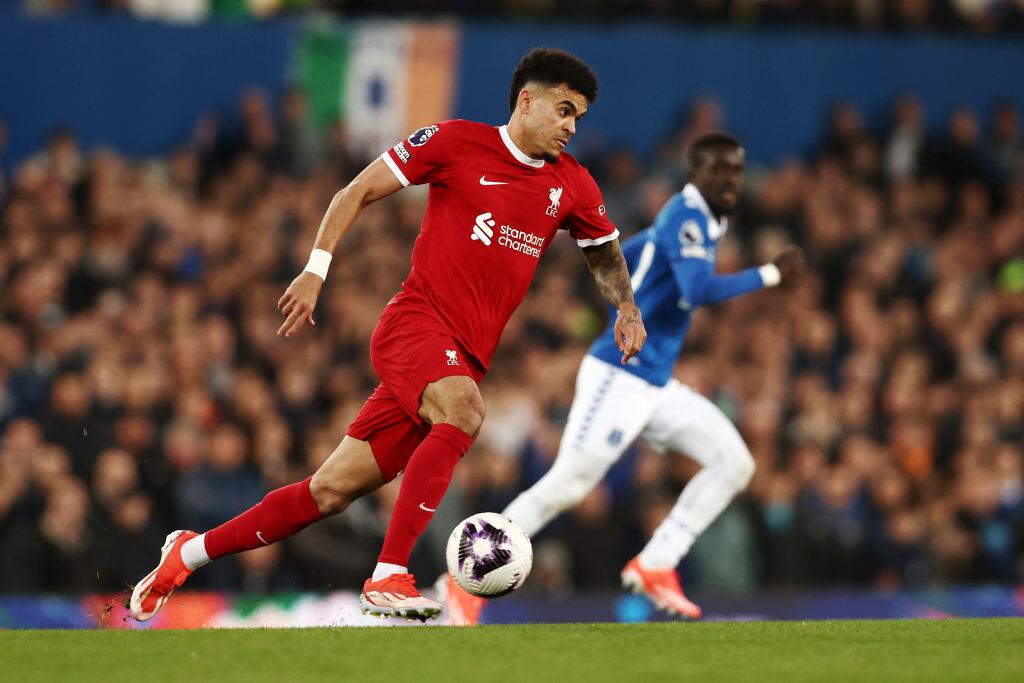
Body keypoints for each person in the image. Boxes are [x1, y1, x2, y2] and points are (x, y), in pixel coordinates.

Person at [130, 47, 647, 622]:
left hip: (460, 357)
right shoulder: (455, 142)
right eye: (564, 110)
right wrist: (316, 269)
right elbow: (352, 192)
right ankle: (389, 573)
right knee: (465, 412)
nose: (572, 127)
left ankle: (187, 554)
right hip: (414, 326)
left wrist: (626, 305)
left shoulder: (572, 185)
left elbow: (604, 255)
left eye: (579, 117)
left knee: (327, 492)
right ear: (527, 100)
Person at [442, 132, 804, 623]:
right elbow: (696, 289)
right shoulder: (687, 214)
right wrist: (770, 276)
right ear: (695, 173)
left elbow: (632, 253)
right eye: (720, 170)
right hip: (619, 376)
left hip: (654, 383)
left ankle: (656, 563)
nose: (731, 180)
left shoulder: (690, 224)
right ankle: (466, 581)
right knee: (569, 484)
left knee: (734, 462)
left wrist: (607, 272)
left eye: (737, 170)